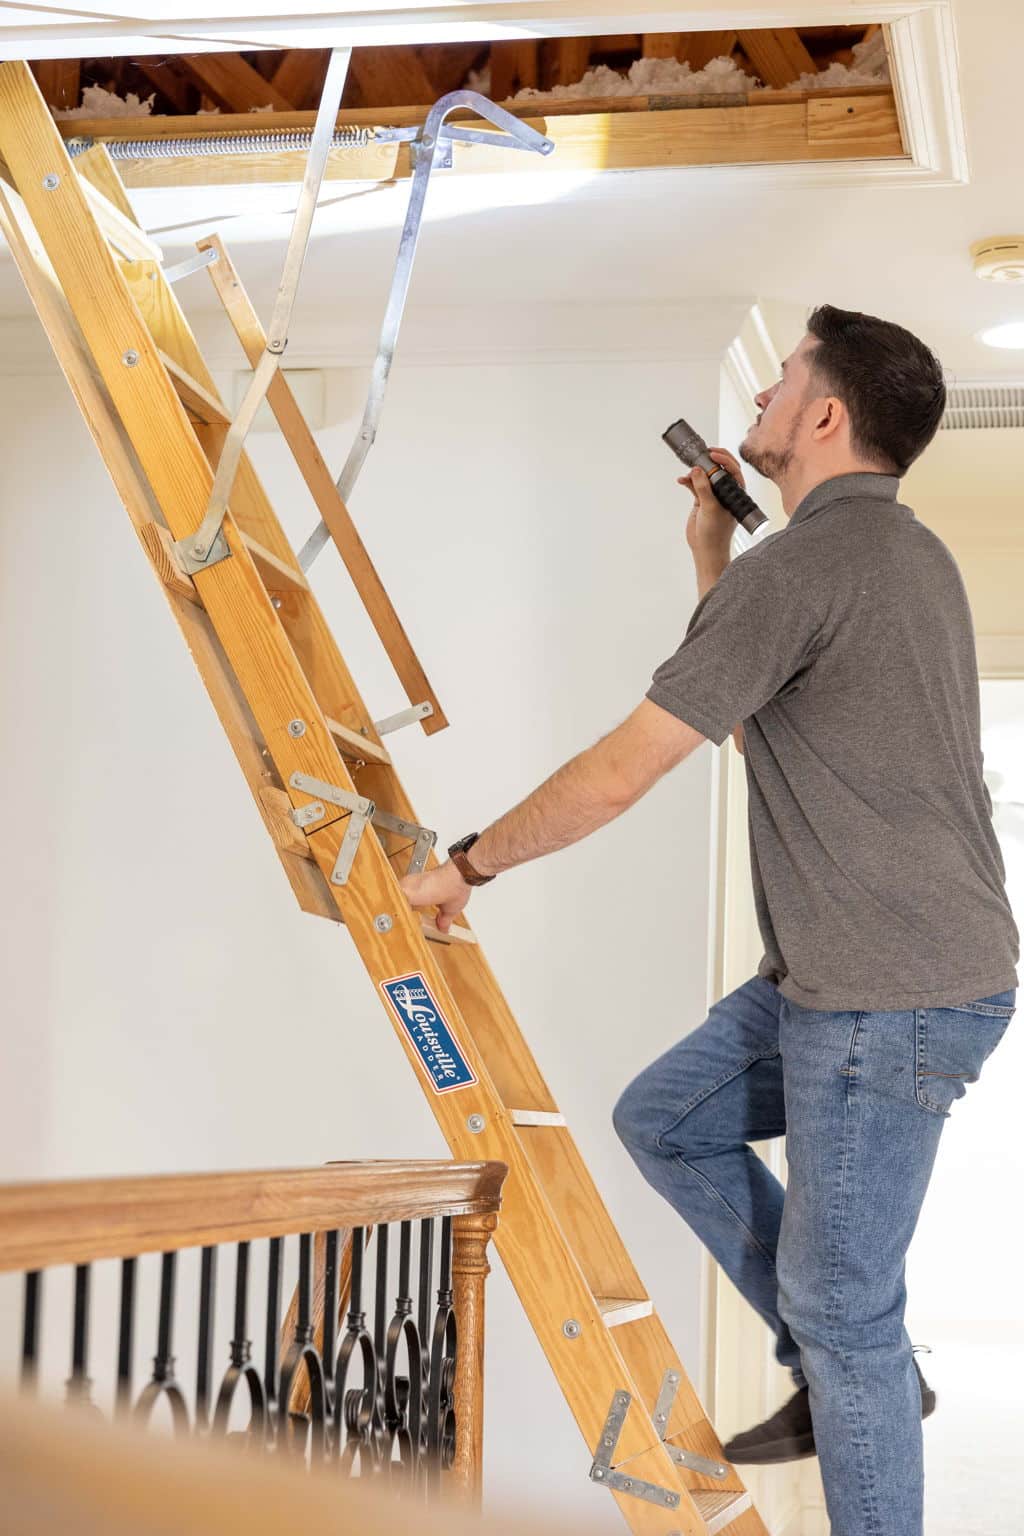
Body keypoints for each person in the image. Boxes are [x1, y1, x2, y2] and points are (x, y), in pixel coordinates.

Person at [399, 304, 1019, 1536]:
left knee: (847, 1311)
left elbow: (627, 768)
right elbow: (757, 711)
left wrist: (465, 865)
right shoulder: (904, 559)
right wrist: (711, 556)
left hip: (881, 992)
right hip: (887, 972)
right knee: (667, 1119)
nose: (760, 399)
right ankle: (850, 1364)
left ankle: (847, 1364)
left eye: (782, 379)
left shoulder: (807, 570)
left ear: (825, 415)